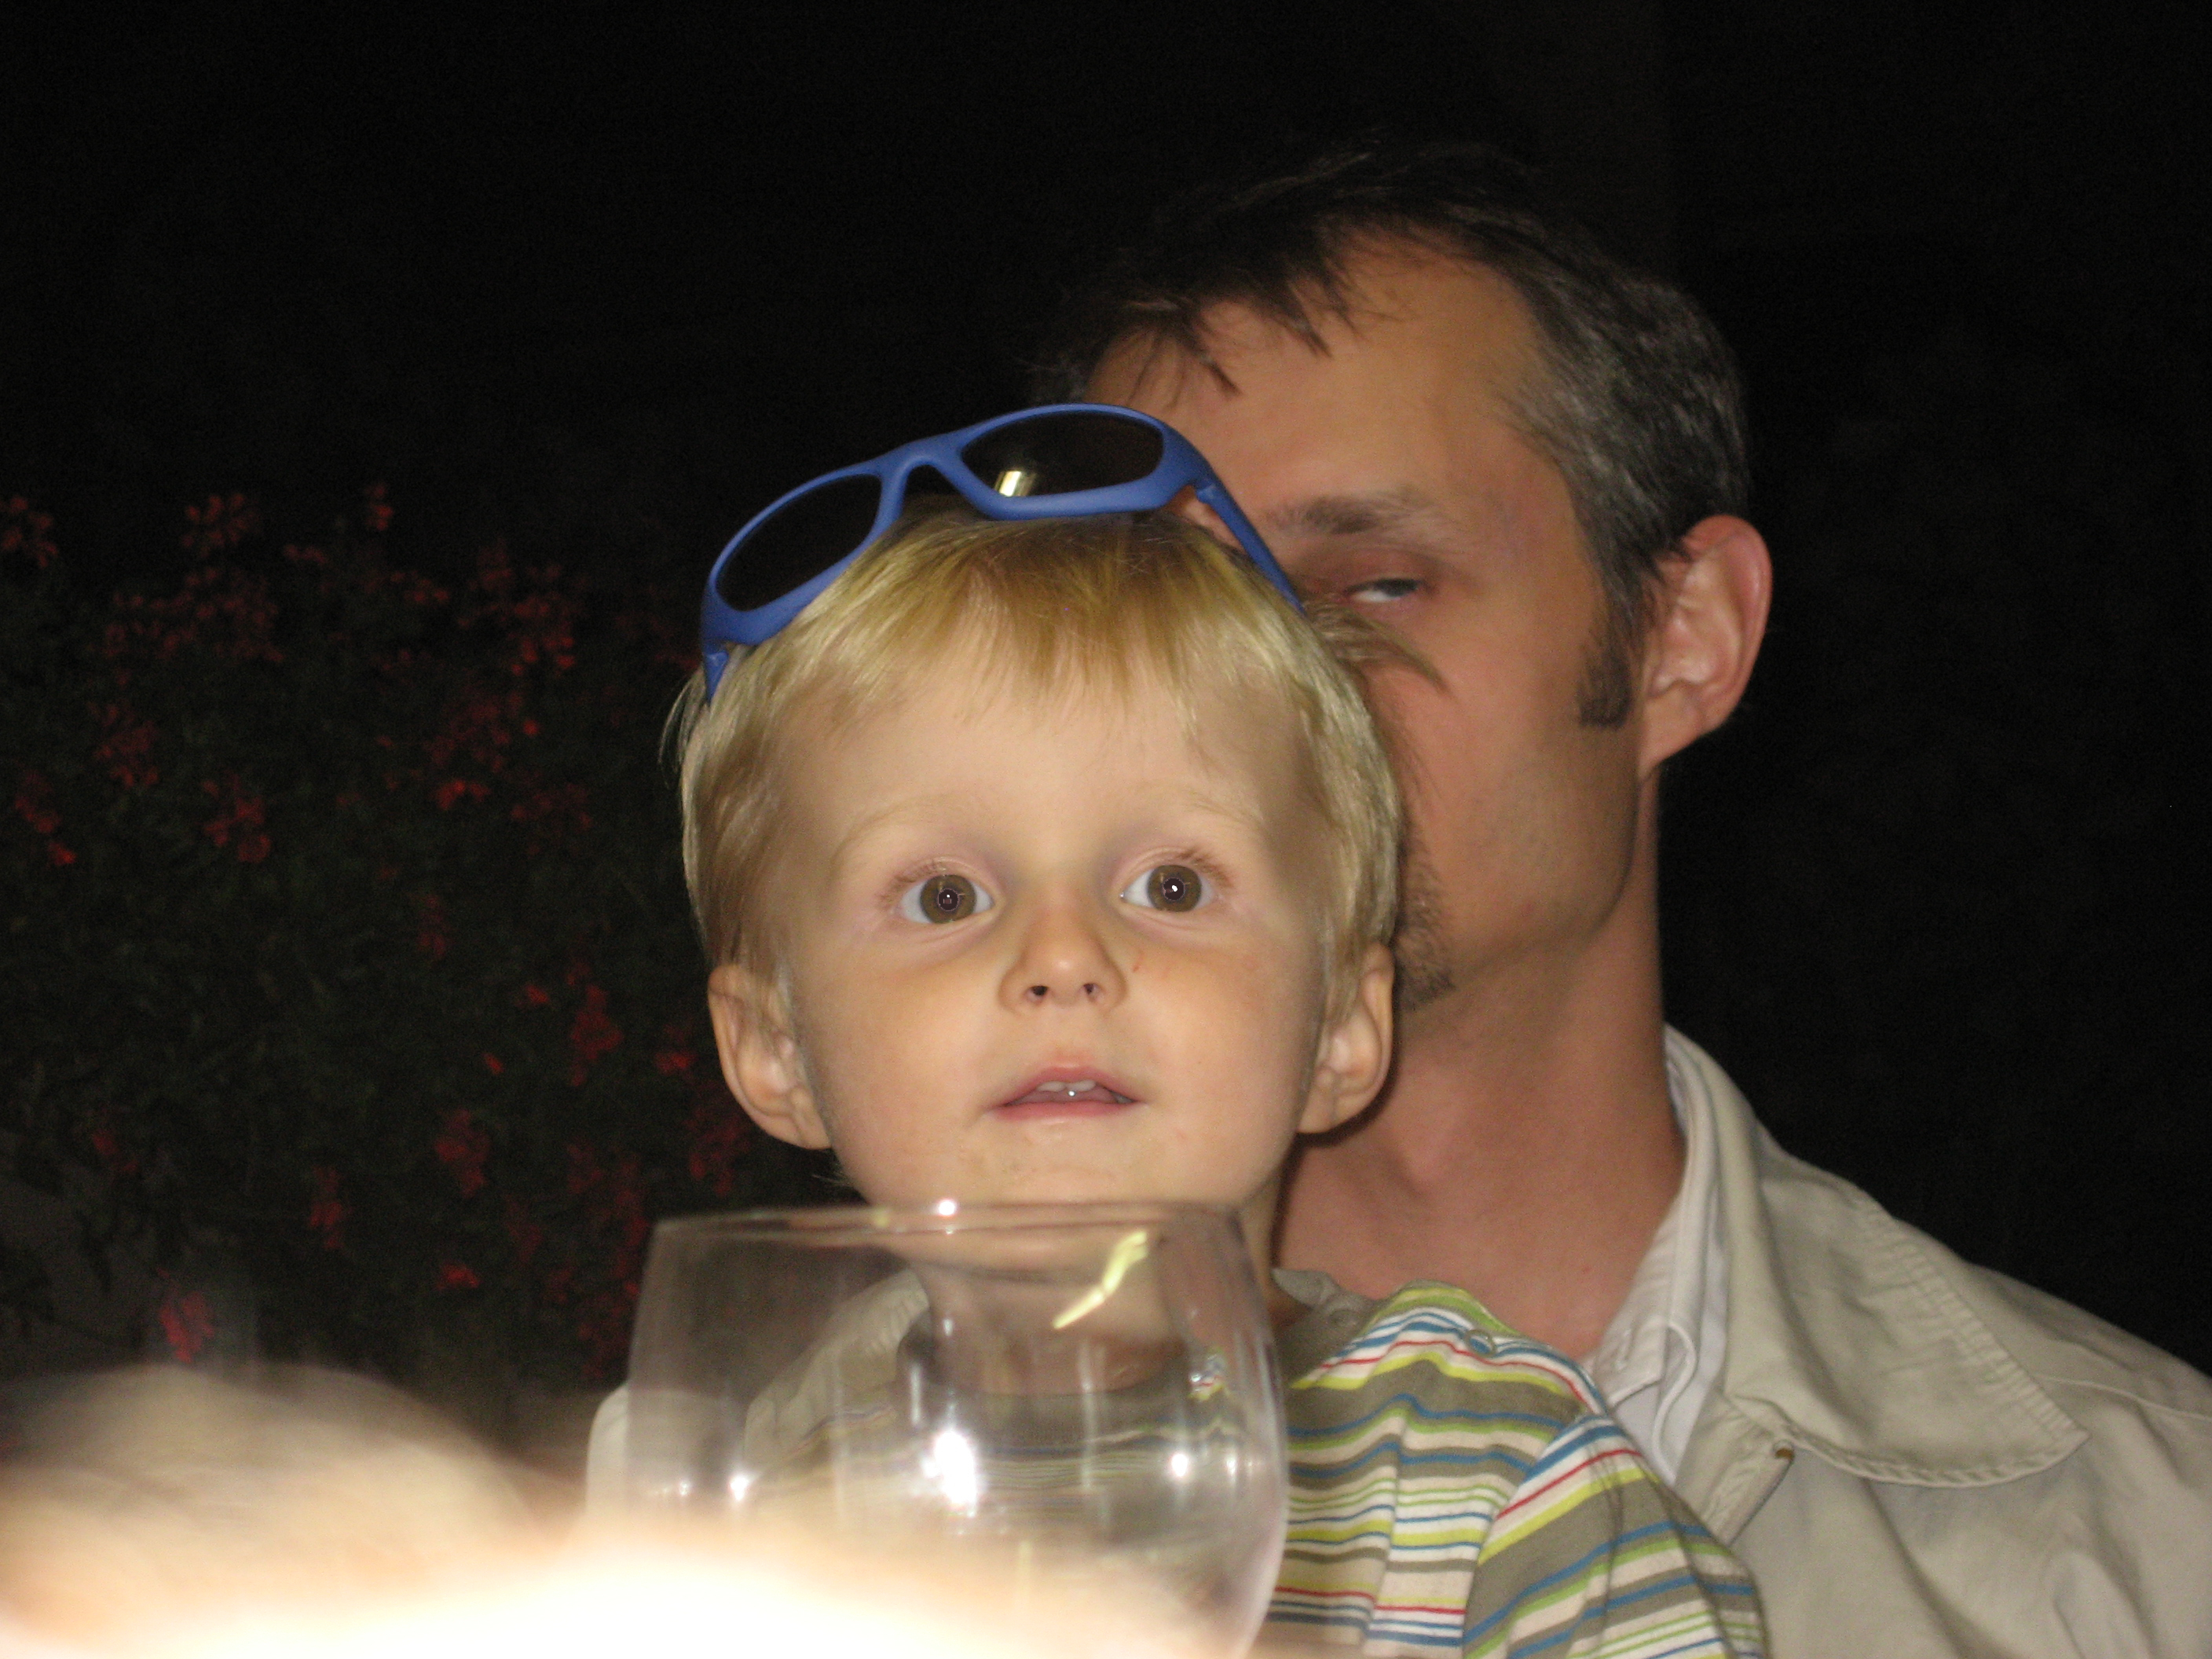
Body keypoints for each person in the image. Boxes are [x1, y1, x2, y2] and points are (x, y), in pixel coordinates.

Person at [1032, 137, 2212, 1655]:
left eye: (1375, 583)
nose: (1250, 696)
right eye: (1170, 611)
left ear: (1684, 640)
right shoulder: (820, 1491)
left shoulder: (2143, 1547)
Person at [621, 441, 1767, 1657]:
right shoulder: (749, 1534)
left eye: (1171, 885)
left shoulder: (1506, 1495)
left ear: (1341, 1023)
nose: (1063, 956)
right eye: (946, 898)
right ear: (775, 1047)